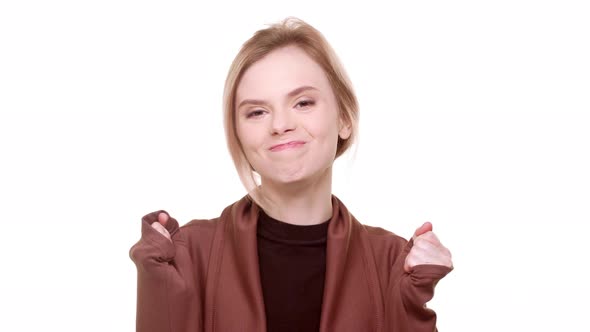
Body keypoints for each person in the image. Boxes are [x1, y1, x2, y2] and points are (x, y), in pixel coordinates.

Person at [130, 16, 453, 332]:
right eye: (257, 112)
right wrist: (159, 287)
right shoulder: (188, 254)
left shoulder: (391, 262)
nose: (280, 124)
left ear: (344, 119)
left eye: (303, 102)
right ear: (238, 135)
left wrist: (412, 298)